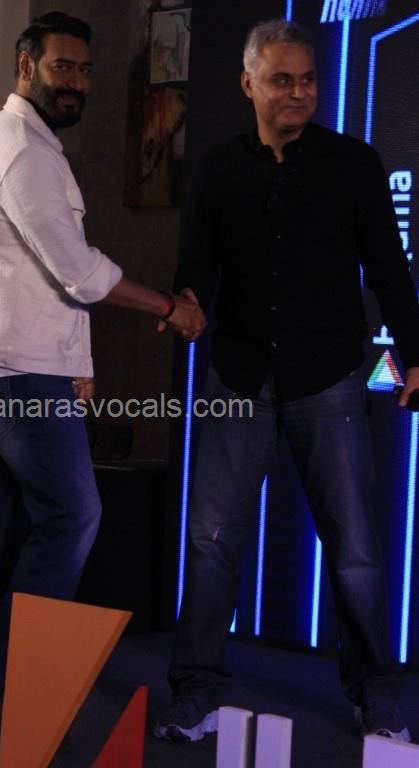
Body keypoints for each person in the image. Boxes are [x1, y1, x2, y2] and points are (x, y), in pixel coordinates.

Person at [154, 18, 419, 743]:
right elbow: (196, 263)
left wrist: (416, 351)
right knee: (210, 541)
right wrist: (185, 302)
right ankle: (196, 693)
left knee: (356, 548)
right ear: (248, 84)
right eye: (281, 80)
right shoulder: (217, 168)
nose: (298, 92)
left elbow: (389, 271)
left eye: (307, 80)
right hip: (237, 376)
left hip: (328, 379)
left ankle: (377, 698)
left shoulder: (354, 164)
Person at [0, 11, 206, 723]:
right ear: (25, 66)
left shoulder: (21, 142)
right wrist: (170, 307)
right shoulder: (22, 152)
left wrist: (77, 363)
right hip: (15, 372)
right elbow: (77, 273)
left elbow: (39, 277)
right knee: (72, 515)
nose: (76, 83)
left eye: (85, 70)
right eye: (62, 67)